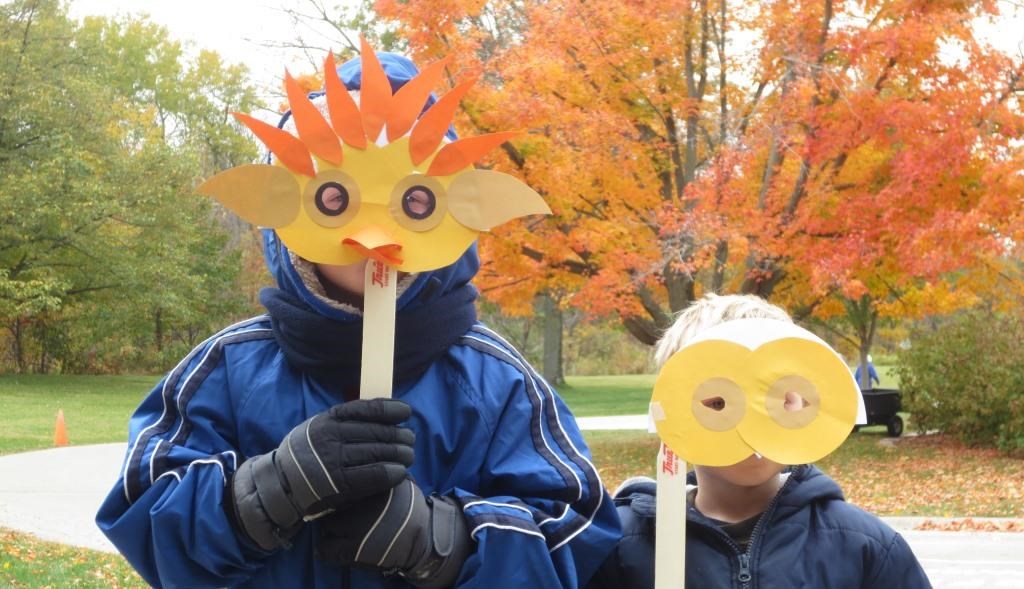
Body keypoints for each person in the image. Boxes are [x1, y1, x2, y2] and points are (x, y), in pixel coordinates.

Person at [96, 51, 619, 589]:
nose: (373, 237)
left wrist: (446, 542)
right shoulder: (228, 368)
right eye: (334, 197)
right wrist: (269, 491)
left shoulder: (497, 384)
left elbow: (576, 535)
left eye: (414, 201)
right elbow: (144, 509)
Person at [589, 294, 931, 588]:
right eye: (719, 402)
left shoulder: (864, 547)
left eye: (780, 398)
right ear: (677, 407)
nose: (751, 427)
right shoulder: (621, 547)